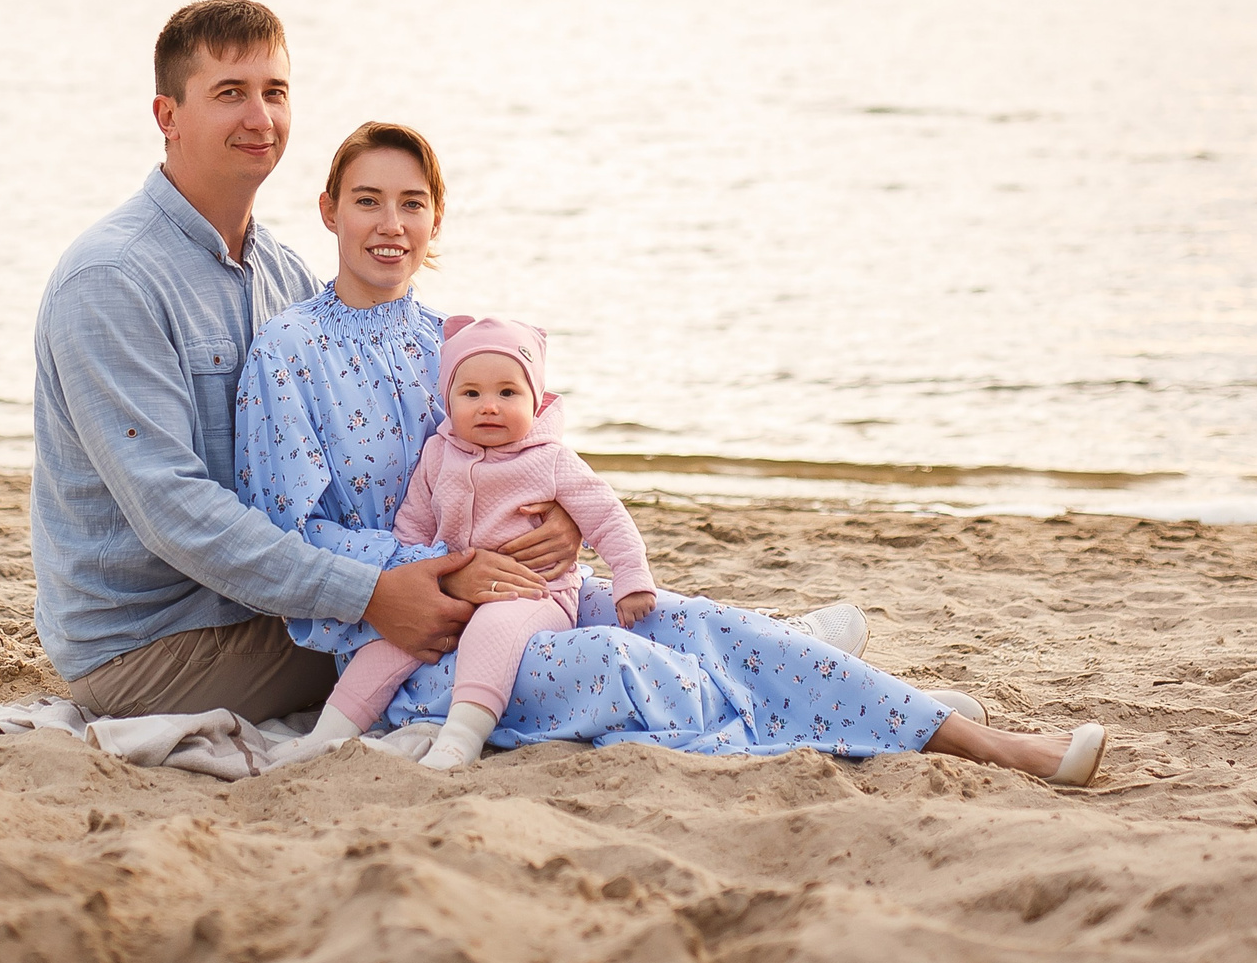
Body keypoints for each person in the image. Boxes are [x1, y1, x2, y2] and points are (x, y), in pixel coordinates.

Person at [238, 120, 1108, 783]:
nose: (391, 223)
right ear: (328, 211)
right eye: (367, 199)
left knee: (699, 623)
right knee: (628, 664)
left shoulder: (457, 344)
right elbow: (290, 538)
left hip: (539, 593)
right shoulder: (290, 351)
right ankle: (856, 718)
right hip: (415, 643)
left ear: (435, 218)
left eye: (412, 201)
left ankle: (976, 739)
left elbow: (539, 464)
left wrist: (559, 533)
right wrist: (447, 567)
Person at [30, 0, 585, 722]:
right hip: (156, 643)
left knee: (549, 610)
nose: (260, 117)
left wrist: (551, 508)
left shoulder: (283, 275)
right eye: (230, 93)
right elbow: (175, 511)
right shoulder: (111, 280)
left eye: (275, 92)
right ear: (167, 115)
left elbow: (412, 450)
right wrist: (376, 594)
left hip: (268, 603)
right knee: (501, 649)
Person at [307, 313, 660, 770]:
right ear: (447, 399)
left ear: (536, 401)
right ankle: (326, 732)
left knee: (494, 628)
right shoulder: (438, 455)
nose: (489, 406)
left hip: (533, 591)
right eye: (471, 394)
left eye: (507, 393)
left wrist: (632, 578)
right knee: (389, 642)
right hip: (458, 592)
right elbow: (411, 527)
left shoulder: (550, 460)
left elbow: (607, 517)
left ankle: (461, 738)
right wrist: (416, 579)